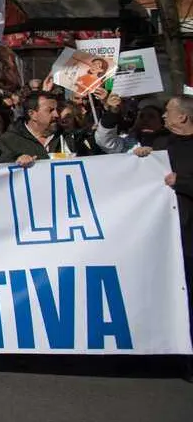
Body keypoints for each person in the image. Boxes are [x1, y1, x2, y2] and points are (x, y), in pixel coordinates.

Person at [148, 95, 193, 381]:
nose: (164, 117)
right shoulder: (162, 144)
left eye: (168, 112)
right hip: (170, 236)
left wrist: (183, 182)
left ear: (184, 117)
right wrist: (142, 158)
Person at [0, 92, 72, 167]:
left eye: (57, 110)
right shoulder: (6, 141)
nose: (56, 115)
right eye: (50, 110)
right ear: (32, 114)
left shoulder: (68, 137)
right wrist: (16, 159)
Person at [96, 94, 167, 153]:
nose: (145, 120)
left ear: (161, 122)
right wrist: (113, 111)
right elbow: (105, 141)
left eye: (151, 116)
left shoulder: (171, 141)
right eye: (141, 116)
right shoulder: (127, 143)